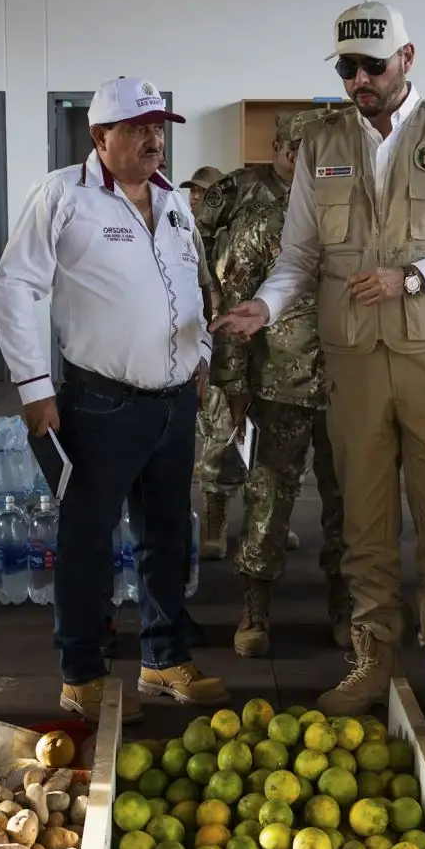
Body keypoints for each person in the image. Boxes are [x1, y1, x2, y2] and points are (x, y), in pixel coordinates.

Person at [214, 1, 425, 709]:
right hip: (351, 360)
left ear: (407, 60)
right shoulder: (320, 143)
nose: (359, 80)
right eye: (347, 67)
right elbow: (297, 257)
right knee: (363, 521)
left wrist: (415, 277)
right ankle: (373, 653)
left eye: (372, 66)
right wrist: (268, 305)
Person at [0, 77, 229, 722]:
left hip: (173, 403)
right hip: (98, 404)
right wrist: (34, 386)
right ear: (101, 137)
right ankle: (82, 672)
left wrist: (201, 351)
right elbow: (14, 287)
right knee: (88, 540)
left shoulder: (174, 202)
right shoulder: (64, 196)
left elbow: (190, 285)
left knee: (168, 536)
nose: (154, 140)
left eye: (160, 128)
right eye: (137, 129)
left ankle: (164, 658)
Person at [197, 112, 348, 657]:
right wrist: (234, 387)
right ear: (282, 147)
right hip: (280, 383)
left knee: (350, 504)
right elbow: (237, 306)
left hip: (348, 381)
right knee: (269, 498)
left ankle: (345, 606)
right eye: (300, 149)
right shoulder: (259, 217)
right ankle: (255, 609)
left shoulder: (347, 204)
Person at [182, 163, 243, 559]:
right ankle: (215, 525)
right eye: (194, 192)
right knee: (217, 441)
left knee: (259, 443)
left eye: (204, 193)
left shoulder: (235, 237)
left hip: (245, 347)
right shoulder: (183, 234)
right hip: (208, 349)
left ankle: (269, 520)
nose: (196, 199)